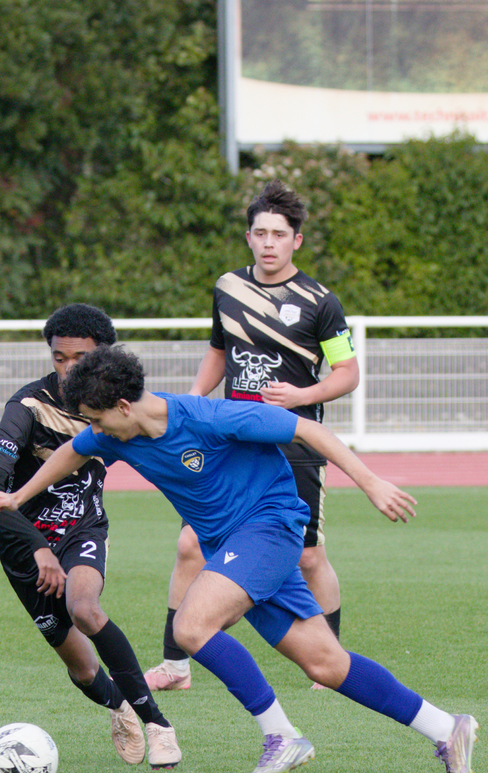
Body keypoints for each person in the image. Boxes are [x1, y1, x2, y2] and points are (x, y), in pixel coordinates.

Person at [0, 345, 478, 773]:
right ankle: (446, 728)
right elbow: (71, 452)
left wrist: (371, 483)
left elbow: (308, 429)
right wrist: (19, 497)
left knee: (191, 626)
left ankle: (281, 736)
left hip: (270, 526)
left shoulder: (211, 417)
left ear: (124, 406)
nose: (94, 429)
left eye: (96, 419)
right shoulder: (114, 435)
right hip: (234, 548)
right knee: (326, 663)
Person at [145, 179, 358, 693]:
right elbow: (219, 352)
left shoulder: (320, 302)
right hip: (231, 444)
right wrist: (193, 402)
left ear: (296, 241)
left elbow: (347, 373)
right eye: (260, 233)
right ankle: (175, 667)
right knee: (190, 544)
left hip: (293, 443)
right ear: (248, 237)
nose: (268, 243)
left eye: (279, 235)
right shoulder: (227, 287)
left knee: (308, 556)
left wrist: (302, 396)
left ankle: (331, 664)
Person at [0, 303, 182, 770]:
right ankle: (119, 706)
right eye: (59, 358)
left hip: (81, 526)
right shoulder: (27, 407)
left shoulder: (118, 407)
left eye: (79, 358)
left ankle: (157, 725)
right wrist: (38, 548)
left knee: (84, 608)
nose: (68, 369)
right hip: (22, 542)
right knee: (83, 668)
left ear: (103, 355)